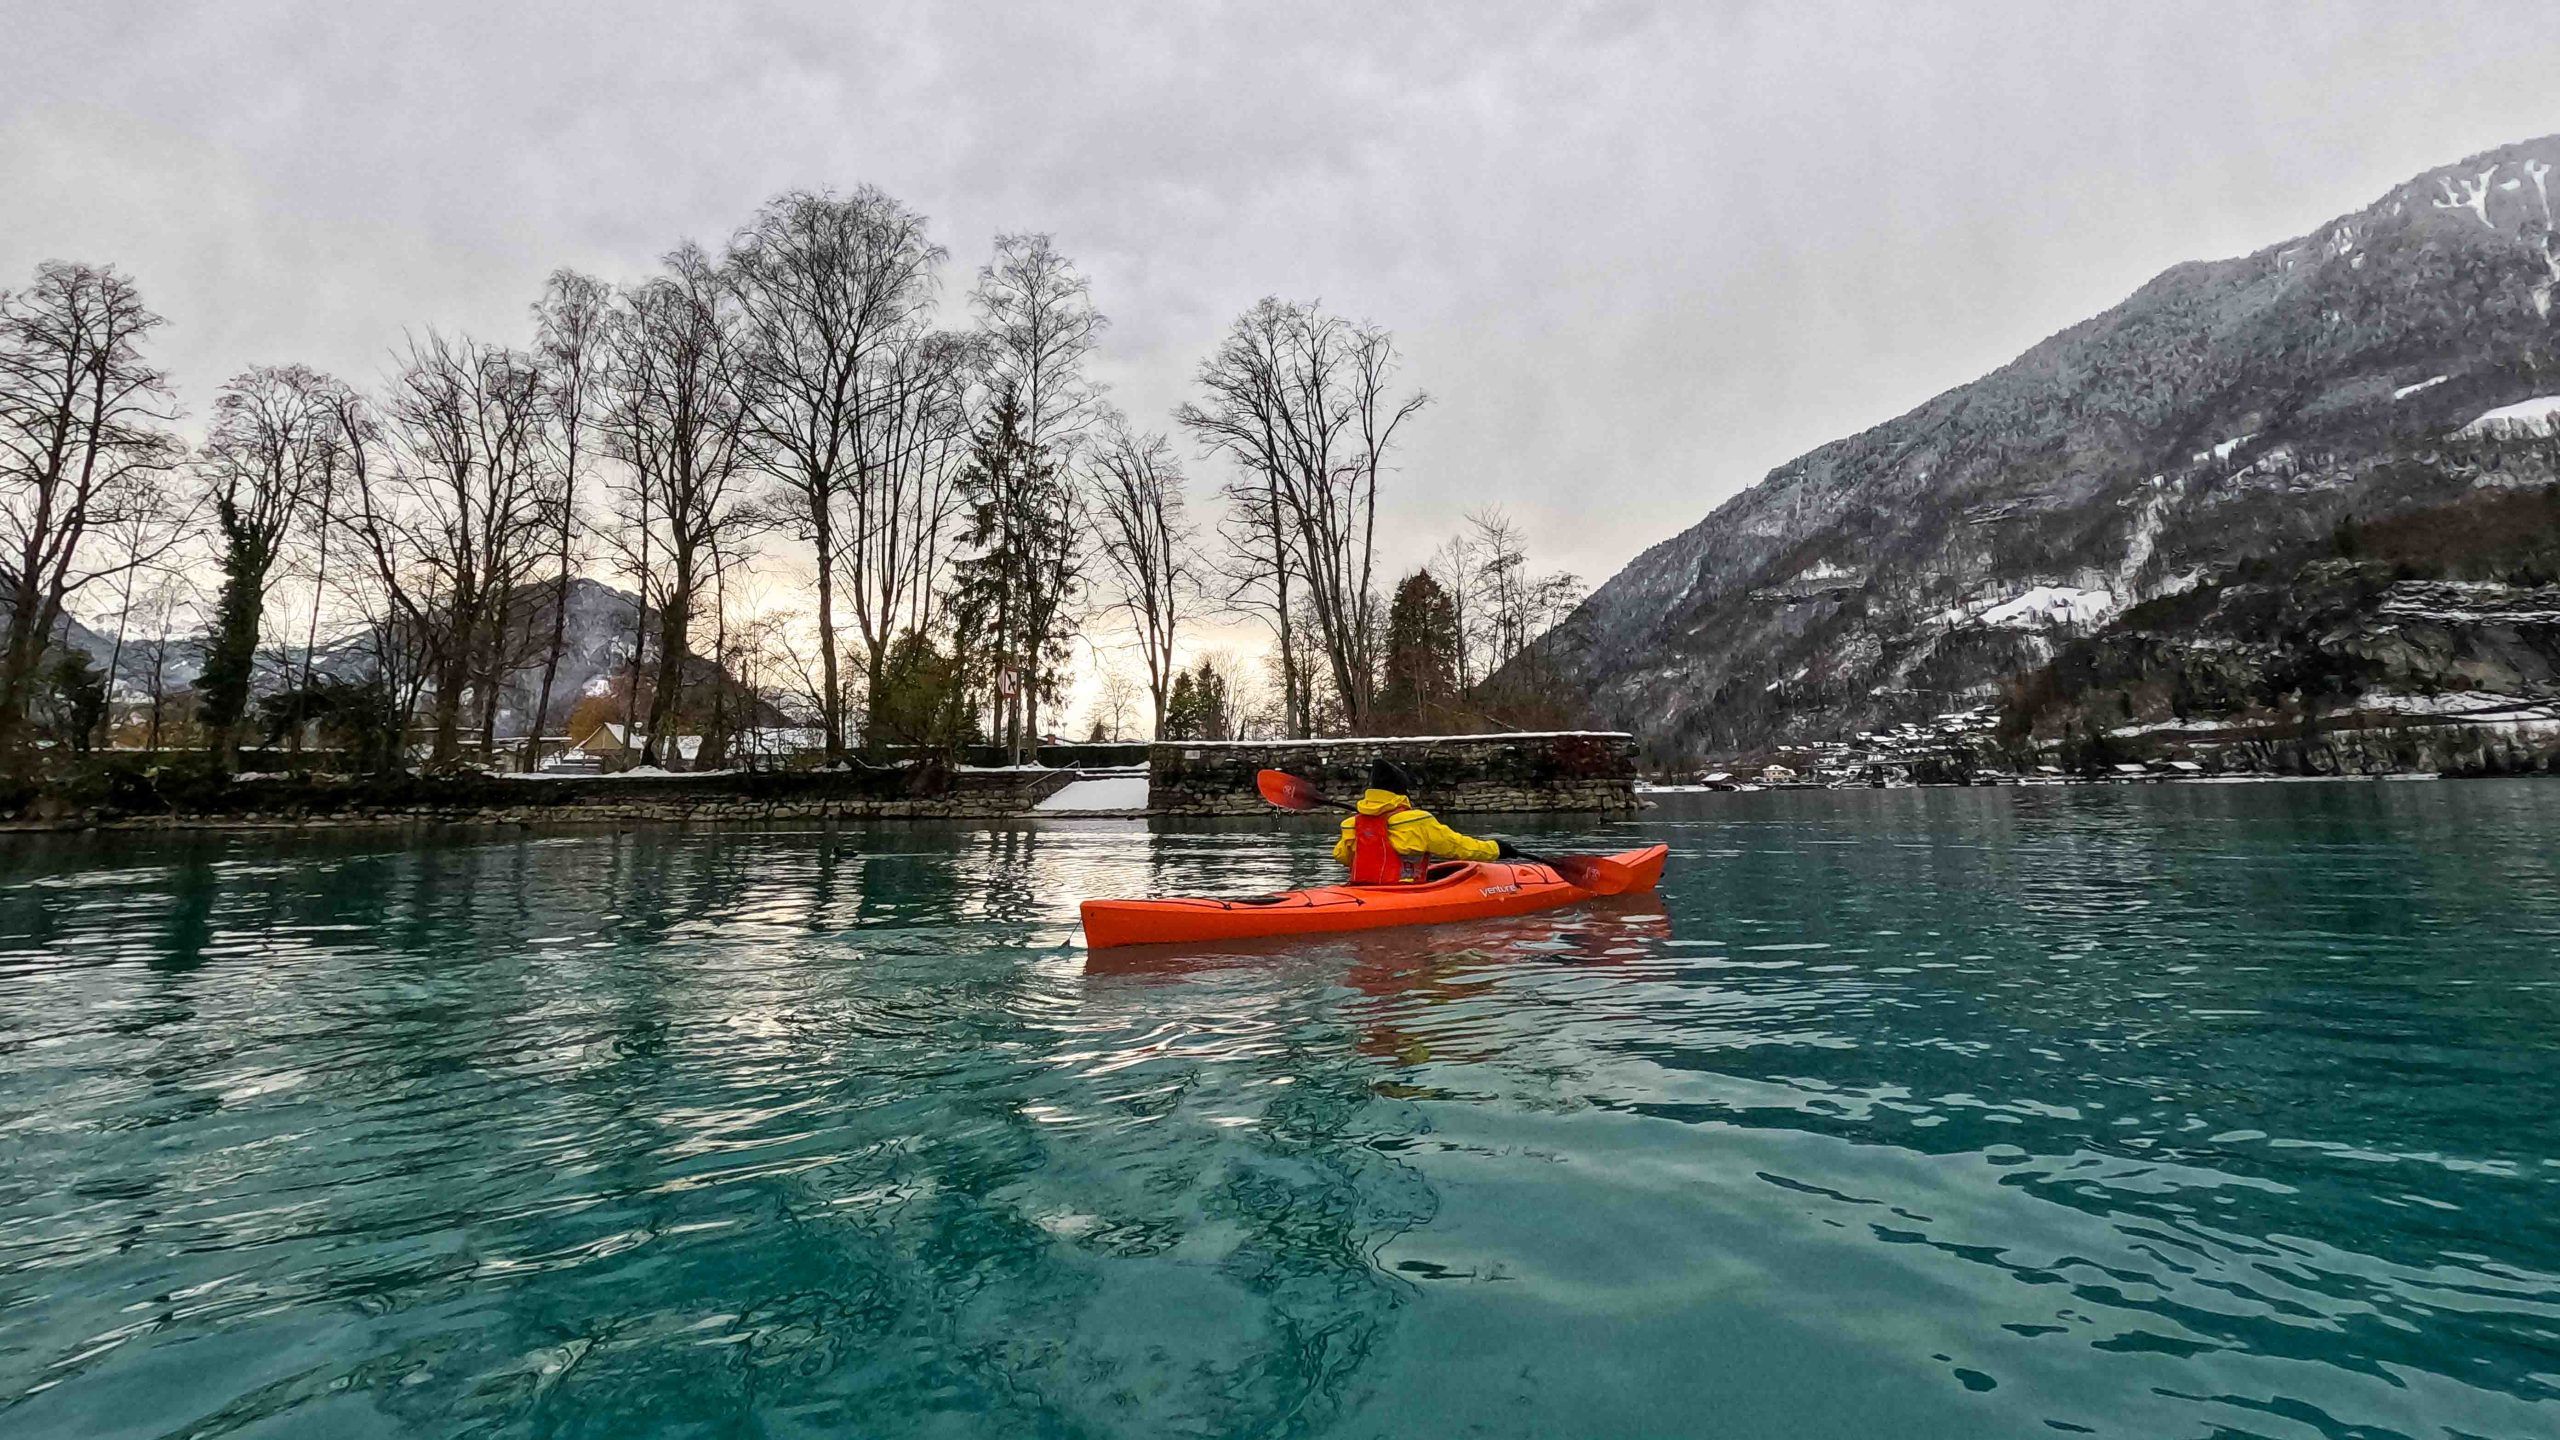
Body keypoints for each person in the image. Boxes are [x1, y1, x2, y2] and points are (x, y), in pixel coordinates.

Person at [1332, 758, 1521, 884]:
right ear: (1402, 791)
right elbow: (1457, 847)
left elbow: (1341, 856)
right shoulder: (1417, 821)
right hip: (1404, 894)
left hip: (1361, 891)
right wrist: (1495, 849)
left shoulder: (1353, 824)